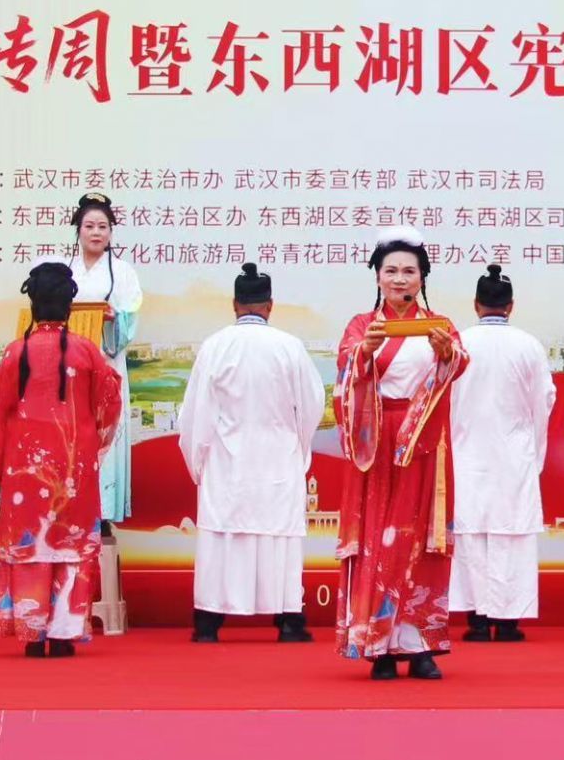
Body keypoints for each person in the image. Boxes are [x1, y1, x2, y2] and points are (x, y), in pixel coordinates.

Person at [334, 227, 469, 681]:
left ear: (422, 277)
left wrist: (447, 353)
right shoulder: (360, 325)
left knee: (419, 539)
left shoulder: (439, 323)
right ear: (377, 276)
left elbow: (459, 364)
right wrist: (365, 353)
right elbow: (346, 369)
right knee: (380, 536)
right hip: (377, 439)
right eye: (390, 270)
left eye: (408, 271)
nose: (399, 279)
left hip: (423, 439)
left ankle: (421, 644)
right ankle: (380, 646)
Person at [179, 264, 324, 643]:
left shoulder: (215, 346)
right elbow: (312, 405)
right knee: (279, 541)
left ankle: (208, 623)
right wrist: (298, 445)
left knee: (222, 541)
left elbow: (196, 414)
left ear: (234, 304)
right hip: (278, 458)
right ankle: (289, 621)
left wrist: (199, 461)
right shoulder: (289, 347)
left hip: (228, 460)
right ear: (270, 305)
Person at [0, 261, 123, 657]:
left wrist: (1, 464)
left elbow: (0, 413)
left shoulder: (15, 352)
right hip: (74, 464)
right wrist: (95, 445)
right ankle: (64, 633)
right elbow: (109, 403)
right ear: (68, 307)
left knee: (30, 545)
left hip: (24, 467)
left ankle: (32, 632)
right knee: (71, 546)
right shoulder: (86, 350)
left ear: (33, 305)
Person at [449, 265, 556, 642]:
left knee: (472, 536)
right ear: (510, 306)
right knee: (513, 536)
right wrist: (534, 452)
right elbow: (543, 401)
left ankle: (478, 620)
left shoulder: (459, 343)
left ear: (476, 304)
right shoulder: (528, 345)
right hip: (513, 453)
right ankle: (509, 621)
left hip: (467, 452)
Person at [67, 192, 143, 527]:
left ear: (111, 232)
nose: (96, 233)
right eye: (89, 226)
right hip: (70, 369)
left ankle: (103, 513)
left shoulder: (123, 272)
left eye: (102, 226)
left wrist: (115, 319)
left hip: (106, 365)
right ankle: (70, 510)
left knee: (105, 435)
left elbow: (130, 320)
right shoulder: (65, 270)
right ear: (78, 230)